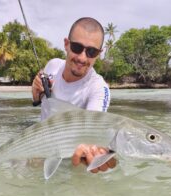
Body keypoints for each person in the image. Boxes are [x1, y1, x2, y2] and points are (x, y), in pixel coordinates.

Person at [31, 17, 116, 173]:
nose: (82, 58)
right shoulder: (52, 65)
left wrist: (98, 152)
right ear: (66, 44)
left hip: (69, 159)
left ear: (99, 54)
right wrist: (36, 95)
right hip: (39, 145)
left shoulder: (98, 89)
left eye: (91, 51)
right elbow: (40, 102)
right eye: (77, 47)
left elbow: (96, 130)